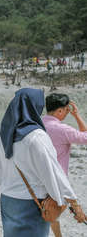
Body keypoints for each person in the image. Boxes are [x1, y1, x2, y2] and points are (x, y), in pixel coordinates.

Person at [0, 88, 86, 237]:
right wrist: (73, 202)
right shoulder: (36, 136)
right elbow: (52, 171)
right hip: (31, 203)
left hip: (8, 200)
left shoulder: (6, 132)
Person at [42, 93, 87, 237]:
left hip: (37, 177)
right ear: (60, 111)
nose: (67, 113)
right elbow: (86, 137)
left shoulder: (37, 124)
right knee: (52, 211)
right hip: (58, 180)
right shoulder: (63, 129)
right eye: (66, 110)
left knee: (47, 211)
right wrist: (77, 116)